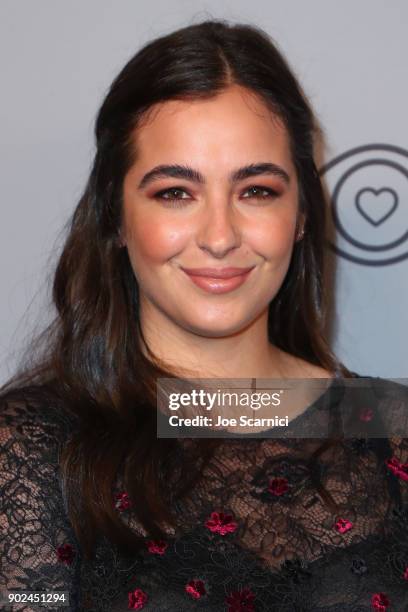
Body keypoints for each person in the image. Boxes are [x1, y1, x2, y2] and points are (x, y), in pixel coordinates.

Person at [0, 18, 407, 612]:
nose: (220, 237)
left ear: (300, 216)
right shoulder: (31, 448)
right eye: (175, 193)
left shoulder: (390, 429)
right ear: (115, 217)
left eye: (257, 191)